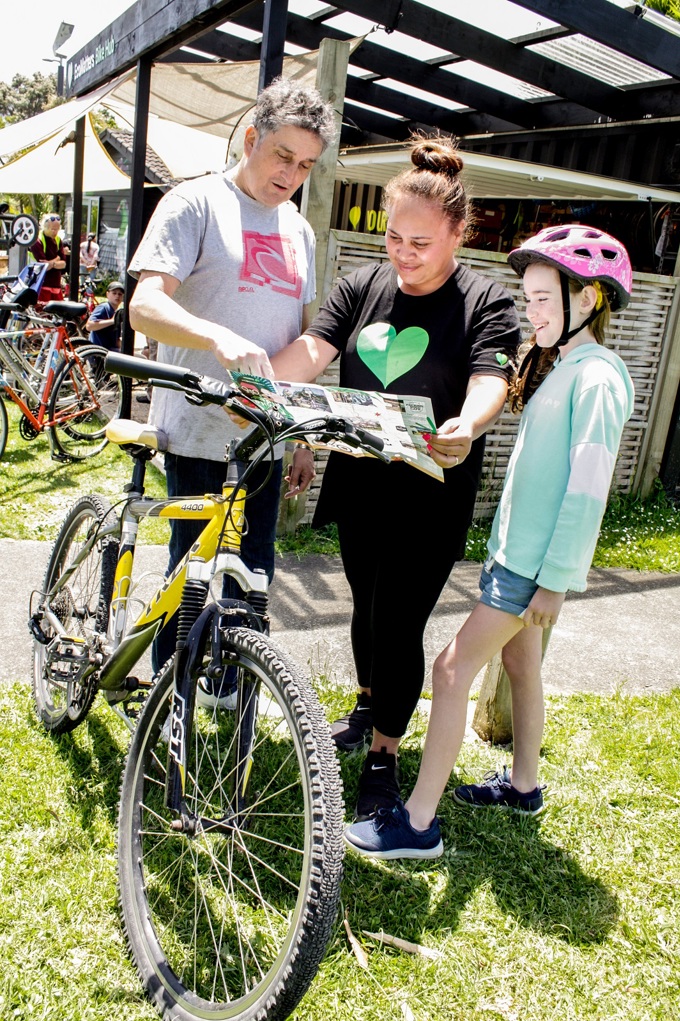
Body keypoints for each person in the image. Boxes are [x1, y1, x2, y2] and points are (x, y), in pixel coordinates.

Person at [343, 224, 635, 859]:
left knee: (450, 672)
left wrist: (555, 581)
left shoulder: (599, 377)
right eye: (526, 299)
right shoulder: (565, 366)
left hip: (531, 568)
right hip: (519, 558)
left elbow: (587, 490)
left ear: (586, 300)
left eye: (542, 300)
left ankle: (416, 825)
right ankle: (525, 786)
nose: (529, 313)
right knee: (521, 665)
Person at [270, 134, 521, 821]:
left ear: (458, 233)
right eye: (393, 239)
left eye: (421, 243)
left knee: (399, 617)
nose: (403, 255)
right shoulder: (361, 284)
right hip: (360, 485)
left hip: (430, 496)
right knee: (364, 604)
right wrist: (259, 383)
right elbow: (315, 349)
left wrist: (467, 424)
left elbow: (489, 378)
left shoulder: (486, 302)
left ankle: (384, 752)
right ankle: (368, 703)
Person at [128, 76, 336, 694]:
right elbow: (143, 305)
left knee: (254, 571)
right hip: (196, 424)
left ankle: (234, 692)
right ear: (251, 138)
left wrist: (301, 434)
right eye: (282, 155)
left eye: (306, 165)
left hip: (266, 434)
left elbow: (304, 334)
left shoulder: (299, 230)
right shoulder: (193, 204)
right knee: (190, 571)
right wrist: (216, 337)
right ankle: (173, 697)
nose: (292, 174)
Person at [29, 213, 70, 303]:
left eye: (57, 229)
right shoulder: (37, 241)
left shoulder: (58, 240)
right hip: (41, 284)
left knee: (60, 312)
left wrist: (51, 263)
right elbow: (44, 267)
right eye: (53, 229)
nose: (55, 232)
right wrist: (56, 259)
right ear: (45, 227)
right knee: (43, 313)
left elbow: (63, 264)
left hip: (56, 285)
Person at [85, 281, 125, 350]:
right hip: (99, 352)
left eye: (120, 294)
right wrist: (112, 321)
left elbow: (117, 342)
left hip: (111, 350)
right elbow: (89, 326)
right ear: (107, 294)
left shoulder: (116, 313)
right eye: (114, 293)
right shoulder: (104, 307)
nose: (117, 296)